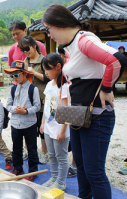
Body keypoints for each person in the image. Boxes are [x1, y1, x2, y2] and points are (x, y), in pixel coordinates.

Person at [42, 4, 126, 199]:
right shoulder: (72, 46)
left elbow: (117, 60)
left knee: (94, 172)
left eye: (48, 29)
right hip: (80, 116)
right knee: (80, 166)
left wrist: (107, 87)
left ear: (59, 24)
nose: (49, 34)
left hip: (97, 117)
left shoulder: (83, 40)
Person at [5, 60, 40, 182]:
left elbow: (37, 106)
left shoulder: (33, 88)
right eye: (12, 75)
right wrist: (15, 109)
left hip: (29, 123)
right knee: (16, 148)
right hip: (15, 123)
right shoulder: (12, 89)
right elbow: (8, 105)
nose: (14, 78)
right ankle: (18, 168)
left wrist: (26, 111)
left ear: (25, 73)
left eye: (16, 75)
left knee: (31, 148)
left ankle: (33, 170)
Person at [40, 53, 70, 191]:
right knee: (51, 155)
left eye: (48, 69)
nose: (46, 72)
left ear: (58, 67)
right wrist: (42, 123)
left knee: (61, 157)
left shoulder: (64, 86)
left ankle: (61, 182)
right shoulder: (49, 84)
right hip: (48, 126)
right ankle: (54, 177)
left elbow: (66, 109)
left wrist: (63, 130)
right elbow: (46, 106)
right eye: (44, 70)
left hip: (59, 128)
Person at [20, 35, 49, 164]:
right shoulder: (24, 62)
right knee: (27, 128)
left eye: (27, 48)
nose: (26, 51)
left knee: (42, 129)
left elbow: (50, 78)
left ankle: (45, 153)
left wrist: (34, 72)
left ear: (34, 46)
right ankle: (29, 151)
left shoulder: (44, 60)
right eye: (23, 50)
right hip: (28, 101)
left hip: (42, 100)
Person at [58, 44, 77, 178]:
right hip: (68, 98)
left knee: (75, 135)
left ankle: (75, 165)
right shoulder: (64, 67)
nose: (62, 57)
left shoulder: (74, 61)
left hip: (74, 102)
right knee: (72, 138)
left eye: (62, 55)